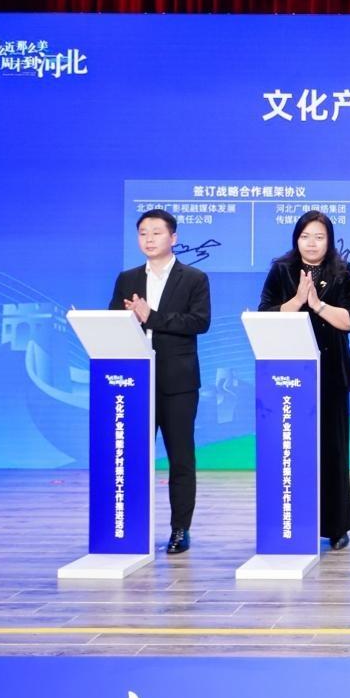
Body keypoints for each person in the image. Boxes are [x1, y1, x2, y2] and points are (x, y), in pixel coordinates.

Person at [259, 210, 350, 551]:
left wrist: (317, 305)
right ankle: (292, 521)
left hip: (332, 372)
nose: (312, 243)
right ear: (296, 238)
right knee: (292, 449)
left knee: (333, 451)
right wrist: (296, 301)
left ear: (329, 240)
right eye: (305, 236)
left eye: (319, 237)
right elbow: (265, 317)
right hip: (288, 374)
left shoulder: (344, 272)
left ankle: (336, 527)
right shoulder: (281, 270)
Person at [110, 209, 211, 555]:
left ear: (173, 237)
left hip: (177, 382)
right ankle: (129, 526)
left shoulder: (194, 278)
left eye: (156, 232)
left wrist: (151, 317)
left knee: (180, 458)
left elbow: (199, 322)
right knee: (132, 456)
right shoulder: (127, 278)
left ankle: (180, 529)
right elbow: (113, 319)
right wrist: (126, 319)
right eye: (143, 233)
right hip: (133, 381)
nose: (149, 239)